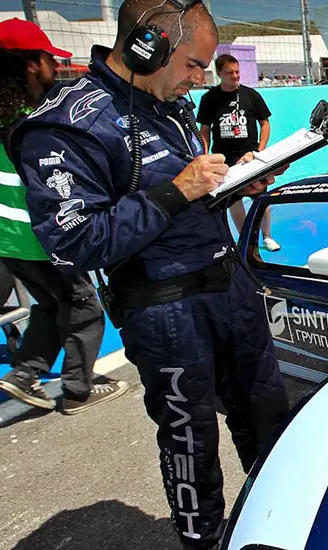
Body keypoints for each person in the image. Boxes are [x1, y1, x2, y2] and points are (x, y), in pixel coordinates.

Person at [10, 1, 289, 547]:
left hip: (228, 287)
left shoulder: (171, 105)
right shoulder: (65, 124)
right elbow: (74, 240)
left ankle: (279, 524)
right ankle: (204, 540)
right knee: (191, 445)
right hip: (166, 312)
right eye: (192, 64)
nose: (200, 79)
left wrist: (234, 181)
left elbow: (189, 192)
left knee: (269, 420)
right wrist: (178, 188)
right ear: (147, 46)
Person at [0, 18, 126, 414]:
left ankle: (24, 374)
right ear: (31, 65)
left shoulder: (7, 111)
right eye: (48, 60)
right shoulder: (32, 120)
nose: (55, 68)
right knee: (84, 305)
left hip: (7, 237)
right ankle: (77, 390)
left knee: (53, 304)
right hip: (39, 236)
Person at [197, 54, 279, 252]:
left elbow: (265, 123)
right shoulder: (210, 99)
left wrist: (260, 150)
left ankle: (267, 236)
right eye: (229, 73)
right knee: (234, 202)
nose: (235, 76)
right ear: (219, 74)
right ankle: (246, 240)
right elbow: (205, 129)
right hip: (225, 160)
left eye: (237, 72)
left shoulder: (251, 95)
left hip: (250, 158)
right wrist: (205, 154)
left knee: (261, 199)